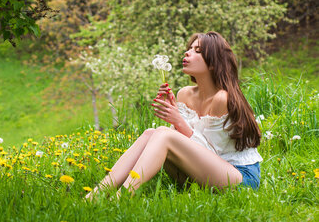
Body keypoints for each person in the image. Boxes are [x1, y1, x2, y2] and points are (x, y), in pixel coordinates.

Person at [85, 31, 262, 199]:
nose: (187, 53)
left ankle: (122, 197)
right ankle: (96, 195)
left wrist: (178, 120)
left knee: (162, 133)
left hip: (239, 176)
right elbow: (179, 145)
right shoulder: (185, 94)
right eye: (189, 48)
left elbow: (211, 154)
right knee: (150, 133)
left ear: (214, 62)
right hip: (204, 173)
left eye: (197, 51)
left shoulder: (222, 99)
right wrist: (174, 118)